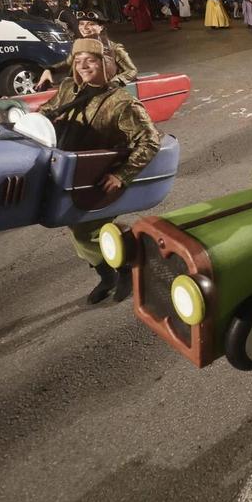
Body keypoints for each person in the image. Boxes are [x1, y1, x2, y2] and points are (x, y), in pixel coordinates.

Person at [39, 39, 161, 304]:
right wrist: (42, 119)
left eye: (90, 61)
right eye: (78, 60)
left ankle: (123, 269)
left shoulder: (121, 101)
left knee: (85, 232)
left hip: (100, 174)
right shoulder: (69, 88)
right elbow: (48, 109)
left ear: (105, 64)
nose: (83, 66)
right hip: (72, 171)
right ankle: (109, 274)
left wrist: (122, 175)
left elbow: (150, 141)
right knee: (78, 228)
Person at [36, 11, 137, 90]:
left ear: (100, 27)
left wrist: (115, 82)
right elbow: (67, 63)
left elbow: (132, 71)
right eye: (81, 23)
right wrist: (50, 70)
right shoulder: (79, 47)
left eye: (91, 24)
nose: (85, 28)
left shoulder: (114, 48)